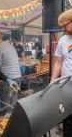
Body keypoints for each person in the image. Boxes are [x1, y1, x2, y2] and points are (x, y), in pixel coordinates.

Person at [51, 9, 72, 137]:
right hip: (66, 85)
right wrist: (53, 81)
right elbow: (58, 62)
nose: (63, 28)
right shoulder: (63, 40)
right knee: (67, 117)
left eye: (64, 25)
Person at [0, 37, 21, 107]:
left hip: (8, 79)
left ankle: (6, 117)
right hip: (17, 77)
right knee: (13, 101)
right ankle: (13, 116)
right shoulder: (9, 45)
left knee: (5, 102)